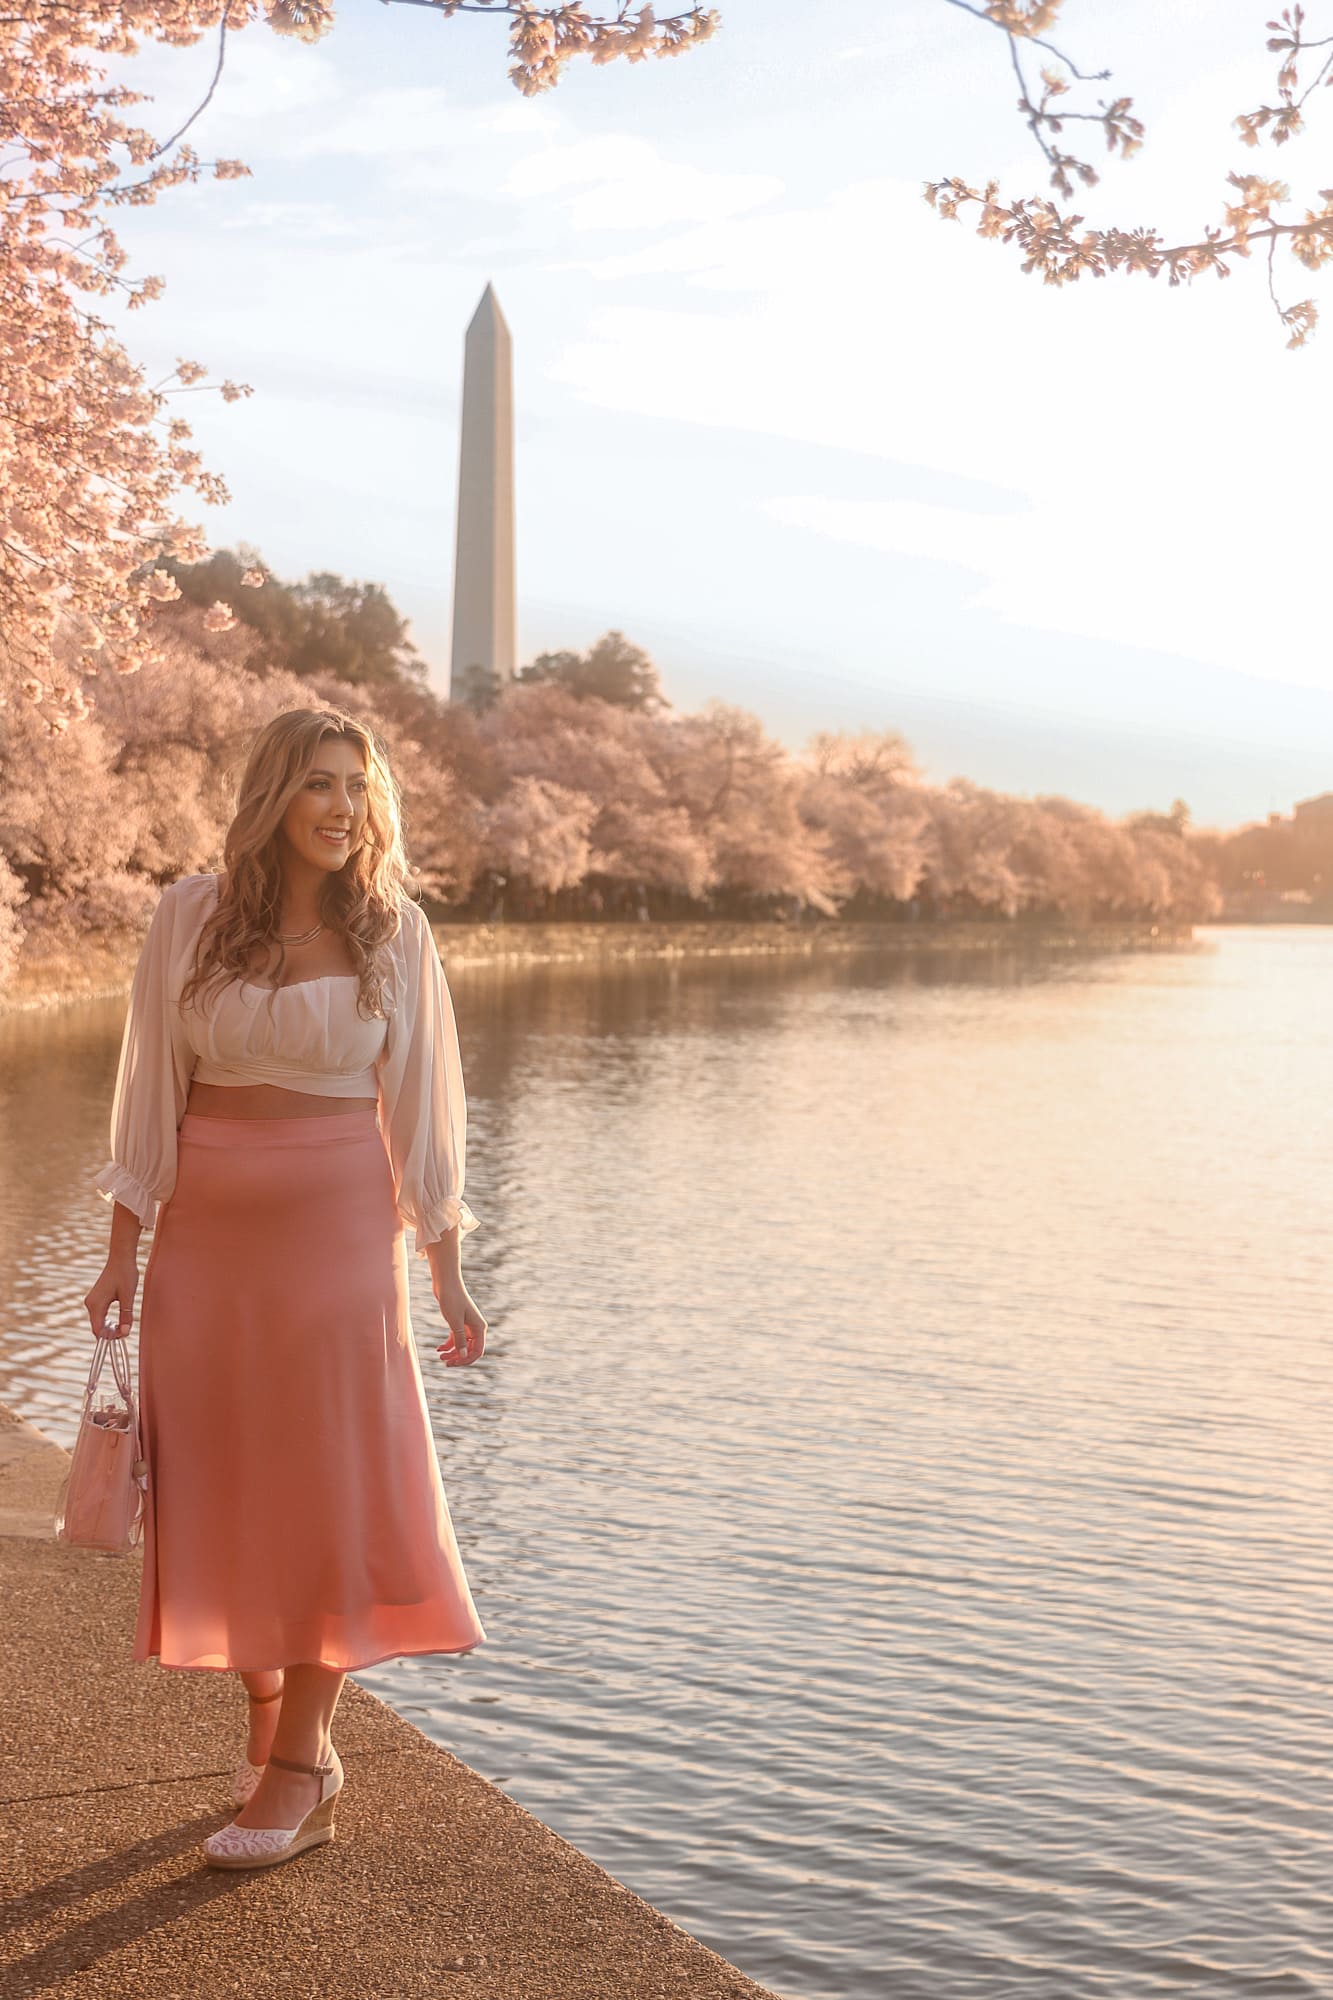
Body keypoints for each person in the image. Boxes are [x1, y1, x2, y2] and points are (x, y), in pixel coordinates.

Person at [82, 705, 488, 1873]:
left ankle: (300, 1761)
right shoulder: (187, 916)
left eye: (356, 787)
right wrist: (122, 1246)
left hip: (335, 1239)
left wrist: (447, 1274)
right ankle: (276, 1718)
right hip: (205, 1237)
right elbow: (146, 1088)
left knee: (321, 1486)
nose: (338, 807)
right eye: (316, 782)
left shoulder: (393, 931)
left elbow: (424, 1121)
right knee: (221, 1480)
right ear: (272, 795)